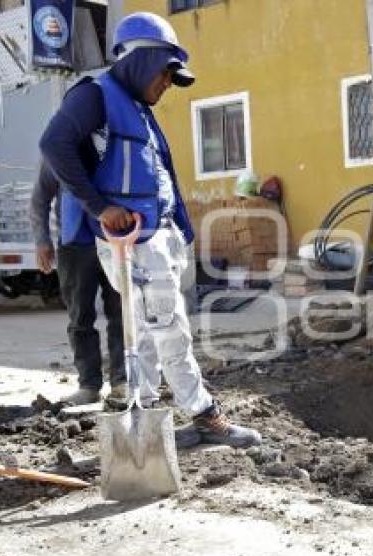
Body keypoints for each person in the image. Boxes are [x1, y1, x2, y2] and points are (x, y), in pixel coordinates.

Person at [39, 12, 261, 448]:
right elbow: (53, 145)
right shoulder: (95, 95)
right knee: (170, 326)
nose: (166, 85)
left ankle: (143, 417)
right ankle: (203, 414)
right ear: (143, 60)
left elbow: (159, 174)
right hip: (132, 240)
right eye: (165, 74)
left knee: (143, 332)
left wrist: (180, 228)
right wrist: (100, 207)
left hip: (152, 236)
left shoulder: (138, 109)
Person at [29, 160, 129, 406]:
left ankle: (122, 381)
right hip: (74, 244)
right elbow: (39, 199)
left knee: (122, 314)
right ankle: (89, 385)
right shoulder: (59, 145)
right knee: (80, 317)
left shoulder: (112, 139)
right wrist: (42, 240)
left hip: (115, 239)